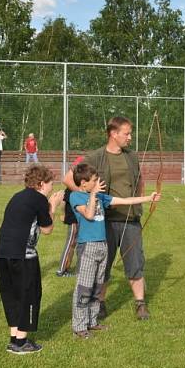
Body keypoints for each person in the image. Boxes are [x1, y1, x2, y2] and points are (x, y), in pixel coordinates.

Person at [63, 116, 155, 321]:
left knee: (135, 262)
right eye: (127, 133)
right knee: (102, 265)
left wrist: (142, 201)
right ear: (113, 134)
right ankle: (100, 303)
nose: (130, 137)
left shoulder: (132, 156)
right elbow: (68, 178)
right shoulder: (95, 156)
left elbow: (139, 181)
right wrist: (87, 196)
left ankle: (140, 303)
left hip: (130, 220)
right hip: (104, 221)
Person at [69, 162, 160, 338]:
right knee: (84, 288)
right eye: (95, 181)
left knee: (97, 286)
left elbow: (125, 201)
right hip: (87, 246)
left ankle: (92, 322)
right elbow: (88, 215)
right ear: (84, 183)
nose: (98, 183)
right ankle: (79, 328)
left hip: (102, 245)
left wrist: (149, 198)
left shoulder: (100, 197)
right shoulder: (76, 197)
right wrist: (94, 194)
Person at [0, 165, 64, 354]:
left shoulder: (18, 196)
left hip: (3, 253)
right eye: (51, 184)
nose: (52, 188)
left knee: (12, 296)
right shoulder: (39, 199)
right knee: (29, 294)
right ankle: (21, 342)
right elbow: (47, 229)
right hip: (23, 256)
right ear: (42, 184)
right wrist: (53, 205)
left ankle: (14, 338)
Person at [56, 155, 84, 277]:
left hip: (78, 211)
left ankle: (77, 269)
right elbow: (64, 201)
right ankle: (61, 270)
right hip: (73, 213)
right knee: (71, 241)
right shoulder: (71, 188)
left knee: (77, 241)